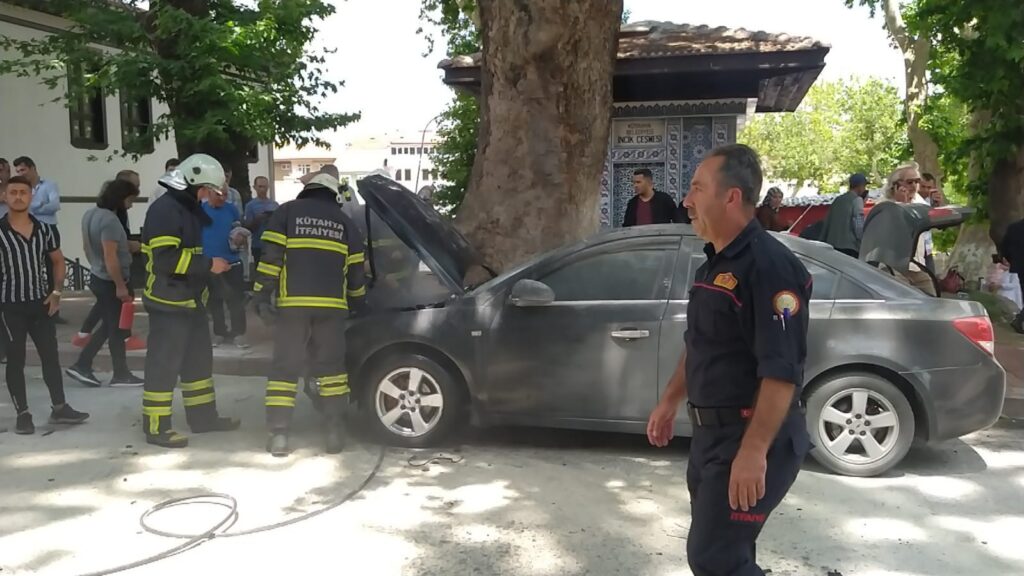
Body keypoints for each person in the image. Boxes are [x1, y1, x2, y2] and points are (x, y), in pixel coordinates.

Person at [647, 144, 811, 576]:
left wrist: (753, 451)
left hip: (754, 437)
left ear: (731, 197)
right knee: (726, 554)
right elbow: (701, 344)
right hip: (711, 439)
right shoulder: (713, 266)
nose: (686, 200)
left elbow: (781, 370)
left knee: (714, 558)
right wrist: (669, 402)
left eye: (697, 188)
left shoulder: (770, 267)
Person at [252, 173, 368, 457]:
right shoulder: (346, 223)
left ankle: (279, 435)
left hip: (293, 307)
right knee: (332, 371)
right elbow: (356, 272)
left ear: (309, 190)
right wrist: (358, 302)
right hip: (332, 308)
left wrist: (259, 294)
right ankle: (334, 434)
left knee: (285, 370)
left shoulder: (287, 212)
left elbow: (271, 260)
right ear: (334, 195)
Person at [140, 153, 240, 448]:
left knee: (198, 365)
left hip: (190, 300)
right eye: (206, 189)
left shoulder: (186, 208)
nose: (208, 196)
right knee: (163, 366)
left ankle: (203, 418)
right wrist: (210, 265)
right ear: (193, 182)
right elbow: (165, 260)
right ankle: (156, 427)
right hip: (168, 302)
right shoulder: (165, 210)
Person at [0, 175, 89, 434]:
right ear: (5, 196)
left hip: (40, 303)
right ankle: (23, 413)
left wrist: (57, 291)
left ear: (31, 197)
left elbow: (58, 260)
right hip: (9, 305)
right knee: (16, 360)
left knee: (50, 357)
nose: (18, 196)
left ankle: (60, 408)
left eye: (23, 192)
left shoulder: (45, 229)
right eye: (13, 192)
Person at [64, 179, 145, 387]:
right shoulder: (110, 221)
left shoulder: (90, 215)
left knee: (111, 326)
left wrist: (126, 247)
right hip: (111, 280)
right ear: (120, 198)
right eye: (130, 199)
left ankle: (87, 365)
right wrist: (119, 285)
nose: (131, 205)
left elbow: (88, 246)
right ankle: (113, 371)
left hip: (98, 276)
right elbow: (111, 255)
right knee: (116, 328)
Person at [13, 156, 66, 324]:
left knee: (53, 269)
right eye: (18, 171)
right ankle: (34, 310)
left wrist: (33, 207)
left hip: (49, 228)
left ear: (32, 168)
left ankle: (53, 311)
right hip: (30, 230)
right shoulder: (23, 189)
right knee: (31, 268)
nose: (21, 174)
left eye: (23, 170)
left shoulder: (49, 185)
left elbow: (55, 205)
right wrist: (41, 204)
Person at [202, 184, 248, 347]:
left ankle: (239, 333)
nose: (222, 198)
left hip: (232, 261)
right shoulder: (199, 210)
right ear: (209, 192)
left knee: (236, 299)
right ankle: (219, 332)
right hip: (210, 263)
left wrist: (240, 237)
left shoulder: (232, 209)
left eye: (225, 195)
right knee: (215, 301)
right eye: (219, 194)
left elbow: (239, 229)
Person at [818, 173, 869, 258]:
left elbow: (827, 222)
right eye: (864, 186)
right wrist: (863, 243)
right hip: (849, 248)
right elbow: (858, 225)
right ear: (860, 186)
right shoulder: (857, 200)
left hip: (832, 246)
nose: (864, 189)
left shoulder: (837, 200)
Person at [243, 175, 278, 270]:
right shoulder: (250, 206)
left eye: (265, 186)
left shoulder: (274, 205)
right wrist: (258, 219)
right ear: (254, 187)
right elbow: (247, 227)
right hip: (258, 245)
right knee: (259, 271)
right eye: (260, 187)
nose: (263, 189)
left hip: (272, 244)